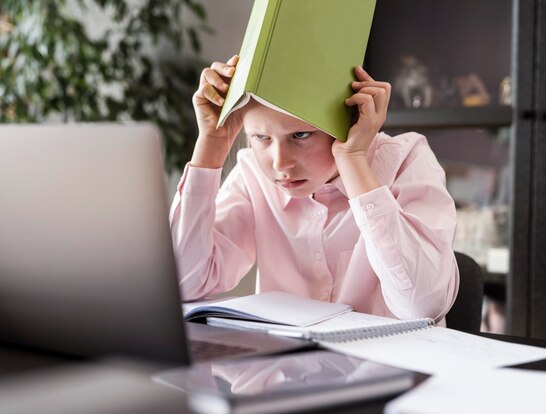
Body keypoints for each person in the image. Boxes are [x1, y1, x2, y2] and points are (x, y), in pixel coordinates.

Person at [169, 55, 459, 323]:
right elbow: (185, 284)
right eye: (261, 137)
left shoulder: (406, 161)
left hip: (388, 371)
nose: (280, 163)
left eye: (300, 135)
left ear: (347, 120)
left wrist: (353, 160)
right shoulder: (252, 173)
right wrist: (211, 144)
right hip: (284, 372)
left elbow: (423, 307)